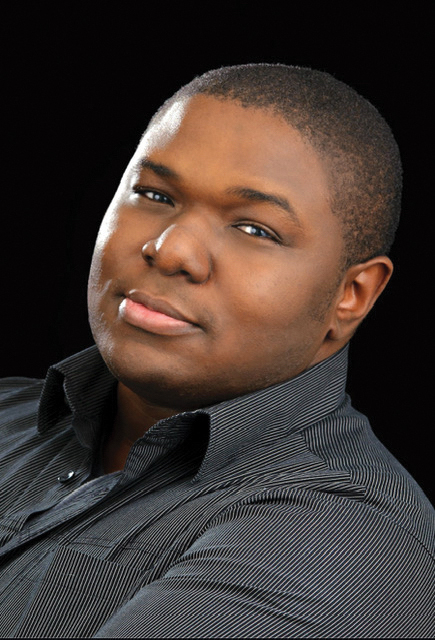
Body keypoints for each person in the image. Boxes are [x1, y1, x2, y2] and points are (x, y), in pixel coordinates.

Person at [0, 63, 433, 639]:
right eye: (154, 195)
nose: (170, 249)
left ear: (351, 295)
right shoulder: (9, 413)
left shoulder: (346, 540)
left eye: (255, 230)